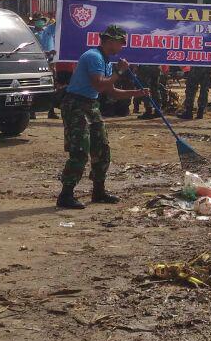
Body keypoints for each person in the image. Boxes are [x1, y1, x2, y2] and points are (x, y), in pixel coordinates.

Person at [57, 25, 147, 210]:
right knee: (80, 150)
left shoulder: (105, 61)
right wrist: (119, 72)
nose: (122, 47)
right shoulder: (93, 57)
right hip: (76, 105)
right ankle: (66, 194)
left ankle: (99, 191)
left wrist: (138, 93)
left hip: (91, 104)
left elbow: (111, 91)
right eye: (120, 42)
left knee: (102, 148)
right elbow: (99, 85)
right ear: (109, 42)